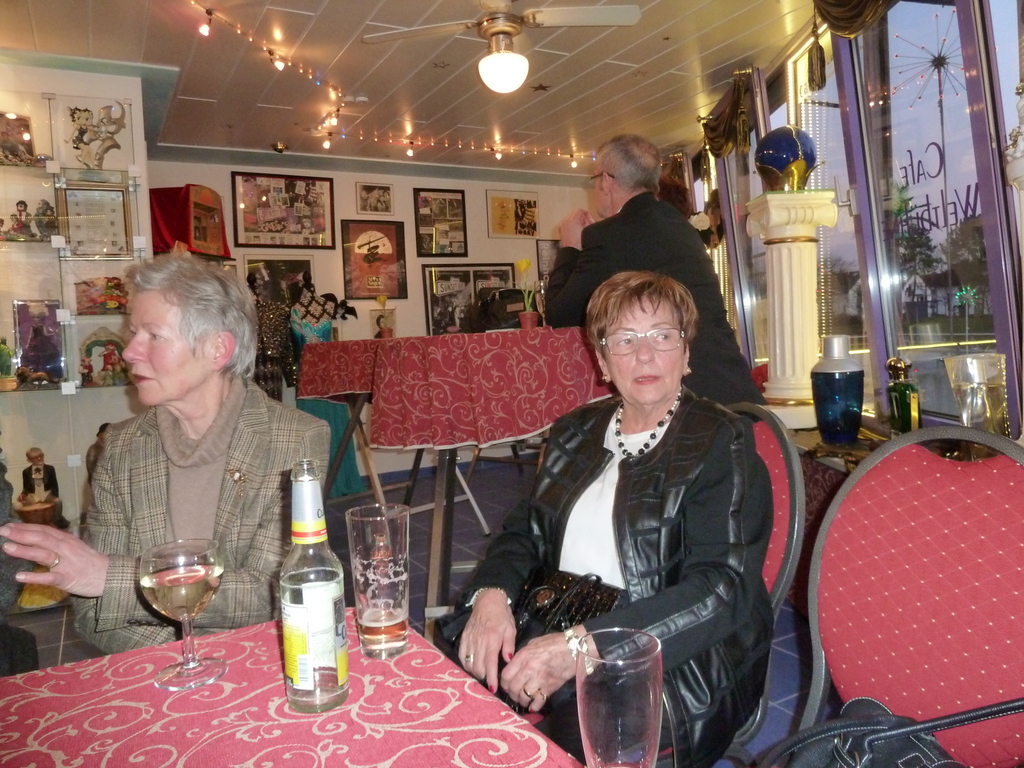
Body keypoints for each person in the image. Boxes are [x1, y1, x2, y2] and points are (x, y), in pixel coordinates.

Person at [444, 271, 773, 768]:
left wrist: (582, 649)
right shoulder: (574, 431)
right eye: (624, 339)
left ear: (686, 353)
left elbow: (721, 589)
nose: (644, 355)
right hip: (552, 614)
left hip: (669, 654)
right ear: (602, 360)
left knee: (562, 742)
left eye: (662, 336)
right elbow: (525, 530)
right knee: (449, 692)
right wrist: (492, 597)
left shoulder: (720, 440)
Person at [0, 254, 330, 655]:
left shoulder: (294, 439)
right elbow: (94, 613)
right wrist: (188, 659)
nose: (129, 352)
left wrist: (114, 579)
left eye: (153, 336)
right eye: (133, 332)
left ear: (217, 349)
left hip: (257, 665)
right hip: (163, 671)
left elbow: (274, 593)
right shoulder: (120, 447)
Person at [547, 133, 765, 406]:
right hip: (733, 383)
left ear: (606, 181)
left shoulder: (608, 236)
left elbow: (559, 314)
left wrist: (569, 247)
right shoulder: (680, 225)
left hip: (689, 400)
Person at [13, 448, 69, 529]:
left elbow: (54, 485)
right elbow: (26, 487)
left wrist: (54, 496)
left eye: (41, 455)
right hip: (33, 496)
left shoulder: (50, 469)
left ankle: (55, 521)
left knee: (58, 502)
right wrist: (23, 495)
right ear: (29, 460)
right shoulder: (26, 472)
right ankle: (23, 524)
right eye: (35, 457)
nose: (39, 458)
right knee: (16, 505)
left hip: (46, 495)